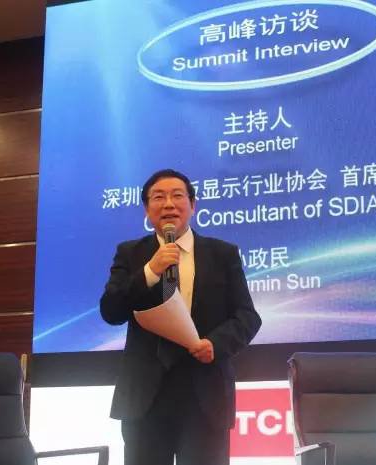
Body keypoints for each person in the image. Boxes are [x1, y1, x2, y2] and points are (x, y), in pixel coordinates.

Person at [100, 169, 261, 465]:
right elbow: (111, 311)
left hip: (205, 395)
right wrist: (150, 271)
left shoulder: (222, 254)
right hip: (146, 398)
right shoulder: (130, 253)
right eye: (158, 197)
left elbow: (247, 316)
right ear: (147, 209)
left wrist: (215, 344)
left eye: (177, 196)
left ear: (192, 205)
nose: (169, 204)